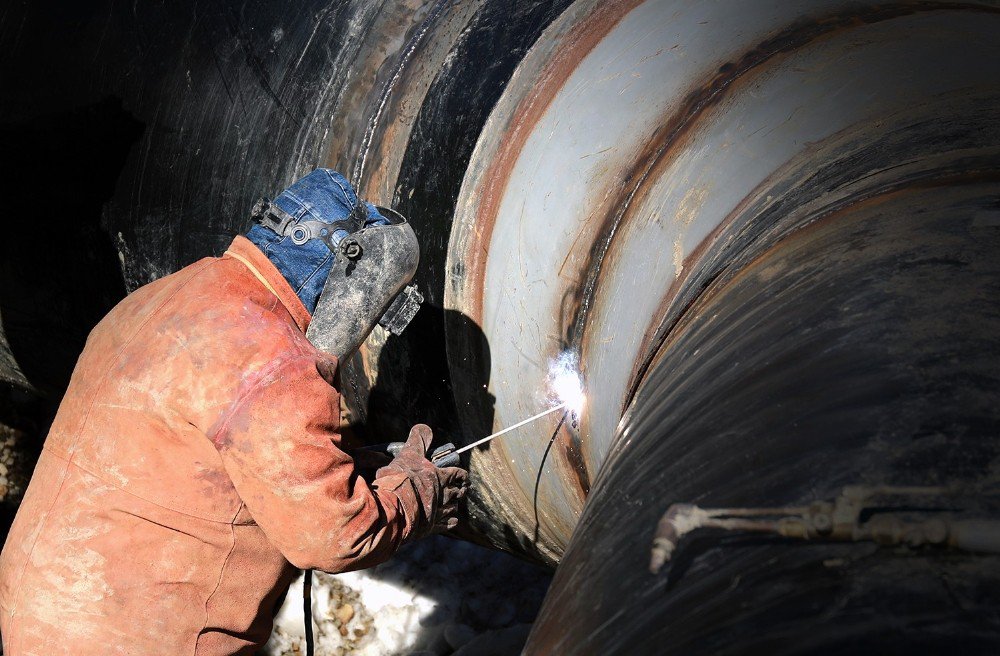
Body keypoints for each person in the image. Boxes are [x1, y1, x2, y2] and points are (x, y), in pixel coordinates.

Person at [0, 169, 468, 655]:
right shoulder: (272, 360)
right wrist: (415, 491)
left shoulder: (163, 296)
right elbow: (336, 535)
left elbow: (195, 450)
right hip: (136, 639)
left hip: (44, 606)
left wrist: (345, 469)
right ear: (349, 273)